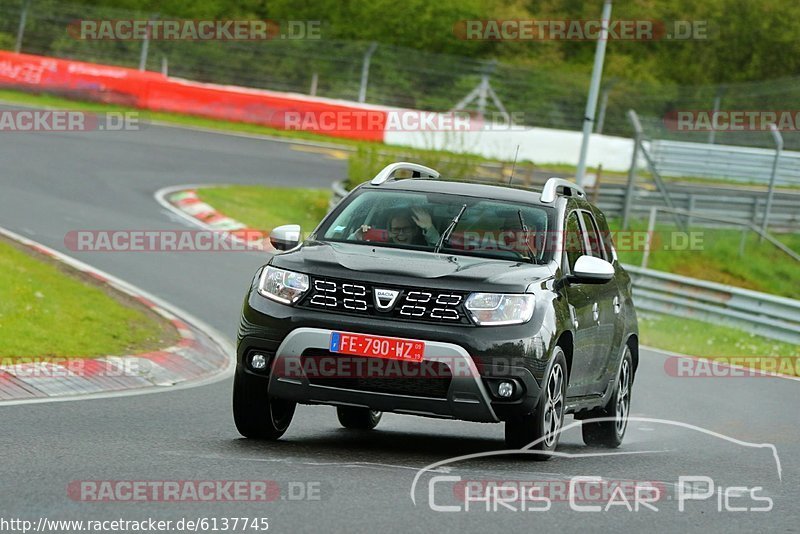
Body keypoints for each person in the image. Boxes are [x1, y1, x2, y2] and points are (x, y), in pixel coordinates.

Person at [351, 207, 440, 246]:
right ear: (389, 231)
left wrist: (429, 227)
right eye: (396, 229)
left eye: (406, 229)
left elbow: (438, 251)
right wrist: (356, 236)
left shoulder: (424, 250)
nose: (401, 233)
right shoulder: (377, 248)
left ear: (415, 231)